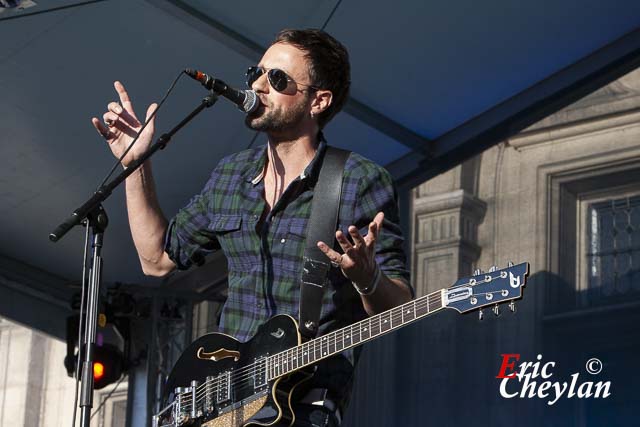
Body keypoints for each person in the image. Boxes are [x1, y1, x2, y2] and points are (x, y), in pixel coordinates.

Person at [92, 28, 412, 426]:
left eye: (277, 79)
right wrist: (134, 163)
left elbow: (399, 308)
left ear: (319, 100)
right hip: (221, 400)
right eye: (256, 73)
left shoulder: (358, 180)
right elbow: (156, 258)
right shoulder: (232, 175)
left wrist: (368, 278)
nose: (259, 85)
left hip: (303, 405)